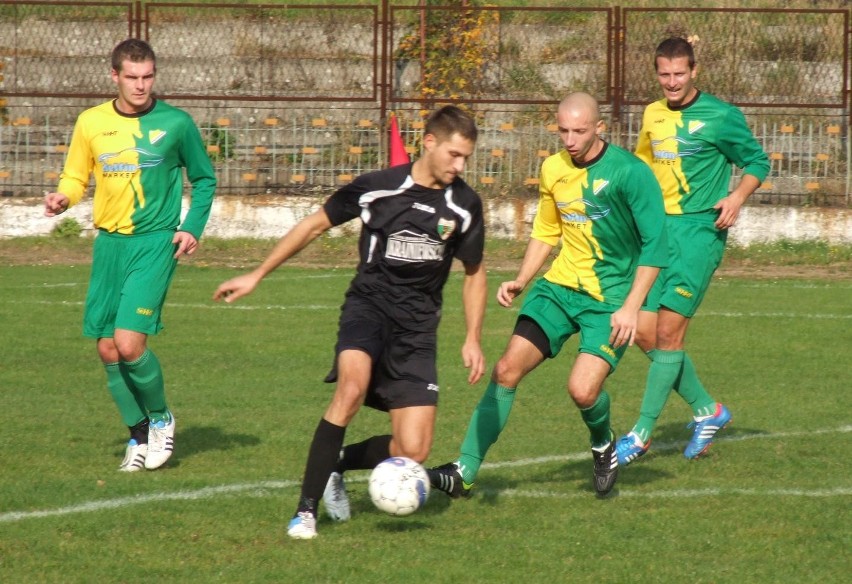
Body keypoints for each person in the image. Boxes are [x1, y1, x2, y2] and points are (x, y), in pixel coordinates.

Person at [213, 105, 487, 539]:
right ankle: (305, 511)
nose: (460, 165)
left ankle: (337, 464)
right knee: (351, 388)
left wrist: (472, 337)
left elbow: (474, 273)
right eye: (454, 154)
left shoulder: (465, 205)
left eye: (466, 157)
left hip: (417, 330)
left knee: (413, 450)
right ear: (429, 142)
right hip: (369, 310)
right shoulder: (377, 189)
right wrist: (257, 273)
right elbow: (315, 225)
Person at [428, 92, 668, 499]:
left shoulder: (630, 173)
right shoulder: (553, 168)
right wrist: (522, 279)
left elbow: (656, 245)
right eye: (563, 131)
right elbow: (547, 230)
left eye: (579, 131)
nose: (570, 140)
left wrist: (631, 307)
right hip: (558, 290)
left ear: (599, 128)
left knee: (582, 391)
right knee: (506, 370)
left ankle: (603, 443)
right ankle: (464, 471)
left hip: (609, 301)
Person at [43, 39, 217, 472]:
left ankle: (161, 420)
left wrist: (191, 228)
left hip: (155, 242)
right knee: (106, 349)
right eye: (132, 77)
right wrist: (63, 198)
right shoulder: (91, 122)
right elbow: (75, 174)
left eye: (148, 76)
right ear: (115, 76)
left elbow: (205, 178)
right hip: (109, 244)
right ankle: (137, 437)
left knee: (128, 342)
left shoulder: (175, 123)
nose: (141, 85)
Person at [615, 37, 770, 466]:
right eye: (664, 74)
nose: (671, 82)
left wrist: (737, 197)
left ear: (694, 71)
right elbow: (642, 168)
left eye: (679, 74)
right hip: (656, 234)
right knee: (643, 332)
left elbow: (758, 161)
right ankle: (709, 410)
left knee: (669, 335)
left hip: (698, 233)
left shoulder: (720, 115)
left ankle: (641, 433)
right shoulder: (652, 114)